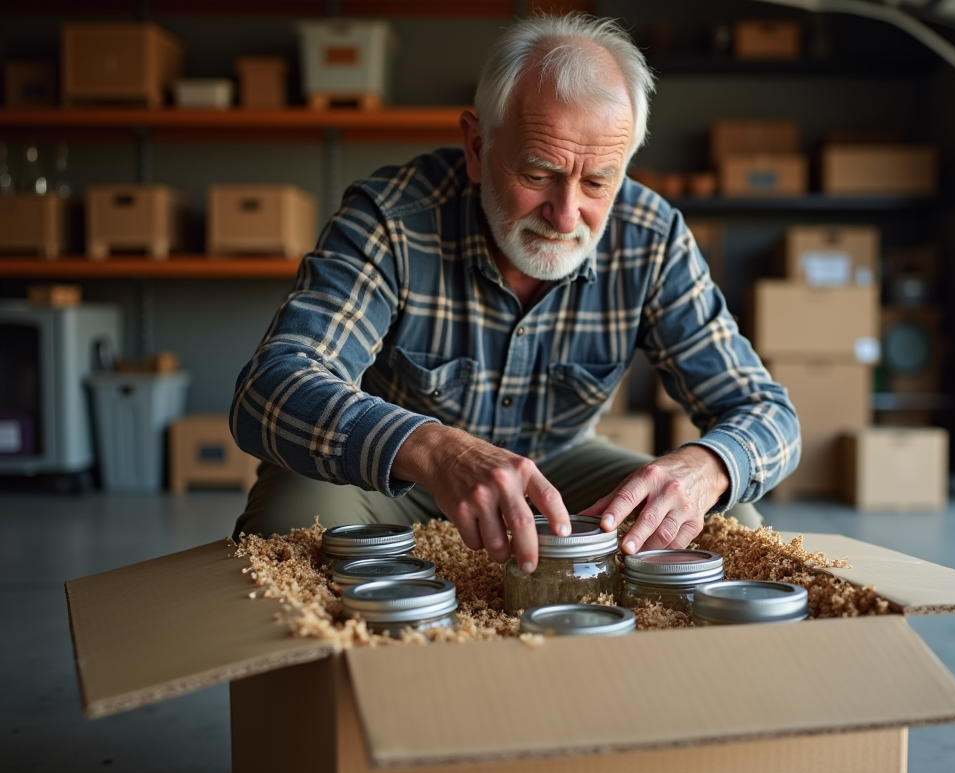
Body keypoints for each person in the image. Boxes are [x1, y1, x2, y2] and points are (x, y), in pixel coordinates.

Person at [230, 14, 800, 574]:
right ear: (477, 146)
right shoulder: (392, 219)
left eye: (598, 181)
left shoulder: (652, 238)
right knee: (287, 531)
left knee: (729, 522)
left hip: (560, 469)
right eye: (538, 173)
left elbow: (767, 412)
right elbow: (272, 388)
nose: (566, 214)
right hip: (399, 472)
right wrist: (436, 449)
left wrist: (705, 468)